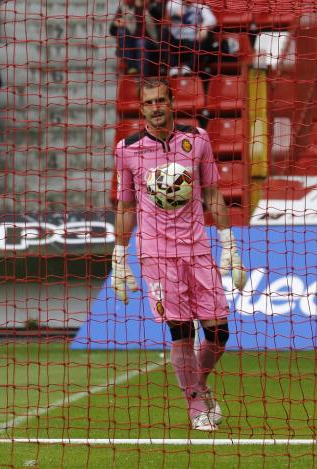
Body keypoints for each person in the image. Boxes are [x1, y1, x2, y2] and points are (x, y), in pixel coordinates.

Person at [112, 78, 246, 431]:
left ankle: (197, 385)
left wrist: (229, 241)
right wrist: (119, 255)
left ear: (172, 102)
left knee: (219, 333)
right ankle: (196, 404)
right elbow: (125, 205)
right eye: (148, 103)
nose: (155, 108)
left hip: (198, 248)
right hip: (156, 253)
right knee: (182, 331)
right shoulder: (127, 149)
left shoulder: (198, 138)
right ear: (141, 109)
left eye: (161, 101)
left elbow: (213, 193)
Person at [164, 0, 217, 77]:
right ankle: (173, 67)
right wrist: (180, 10)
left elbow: (212, 20)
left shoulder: (201, 7)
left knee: (208, 34)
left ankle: (188, 67)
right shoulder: (174, 3)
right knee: (164, 32)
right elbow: (172, 11)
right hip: (177, 44)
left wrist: (204, 26)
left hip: (194, 44)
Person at [110, 0, 160, 75]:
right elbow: (112, 31)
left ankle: (143, 76)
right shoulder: (125, 7)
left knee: (141, 42)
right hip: (129, 42)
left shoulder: (152, 7)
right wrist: (116, 24)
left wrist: (148, 6)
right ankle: (132, 67)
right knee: (121, 31)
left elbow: (159, 23)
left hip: (149, 42)